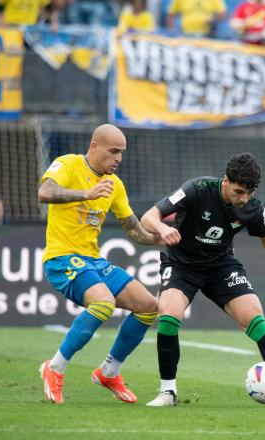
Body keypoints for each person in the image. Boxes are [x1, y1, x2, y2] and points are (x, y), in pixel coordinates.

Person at [141, 152, 265, 408]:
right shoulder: (197, 189)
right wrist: (163, 228)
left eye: (249, 192)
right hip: (182, 264)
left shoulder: (252, 207)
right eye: (238, 192)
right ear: (225, 181)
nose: (243, 199)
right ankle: (168, 392)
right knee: (168, 314)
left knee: (255, 318)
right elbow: (149, 216)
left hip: (221, 267)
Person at [37, 123, 162, 404]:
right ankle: (54, 367)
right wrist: (86, 194)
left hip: (92, 261)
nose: (118, 158)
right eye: (113, 151)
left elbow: (134, 231)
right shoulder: (67, 164)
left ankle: (109, 372)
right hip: (61, 258)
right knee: (103, 303)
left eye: (122, 153)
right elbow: (44, 193)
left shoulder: (115, 185)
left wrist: (165, 237)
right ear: (94, 147)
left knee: (149, 307)